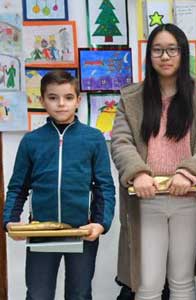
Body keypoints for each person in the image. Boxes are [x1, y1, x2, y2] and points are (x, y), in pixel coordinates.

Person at [111, 24, 196, 299]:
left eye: (172, 49)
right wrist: (138, 173)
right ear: (149, 55)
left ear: (183, 54)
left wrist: (189, 172)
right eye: (158, 50)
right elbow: (121, 142)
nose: (165, 56)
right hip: (146, 199)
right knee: (148, 283)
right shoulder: (131, 99)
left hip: (188, 199)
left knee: (182, 280)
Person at [3, 70, 115, 299]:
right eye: (53, 98)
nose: (61, 104)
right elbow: (18, 187)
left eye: (68, 97)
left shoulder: (93, 138)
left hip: (81, 231)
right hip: (41, 232)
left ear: (78, 100)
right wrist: (9, 221)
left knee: (80, 293)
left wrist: (101, 223)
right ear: (42, 100)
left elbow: (104, 186)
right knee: (38, 294)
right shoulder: (31, 141)